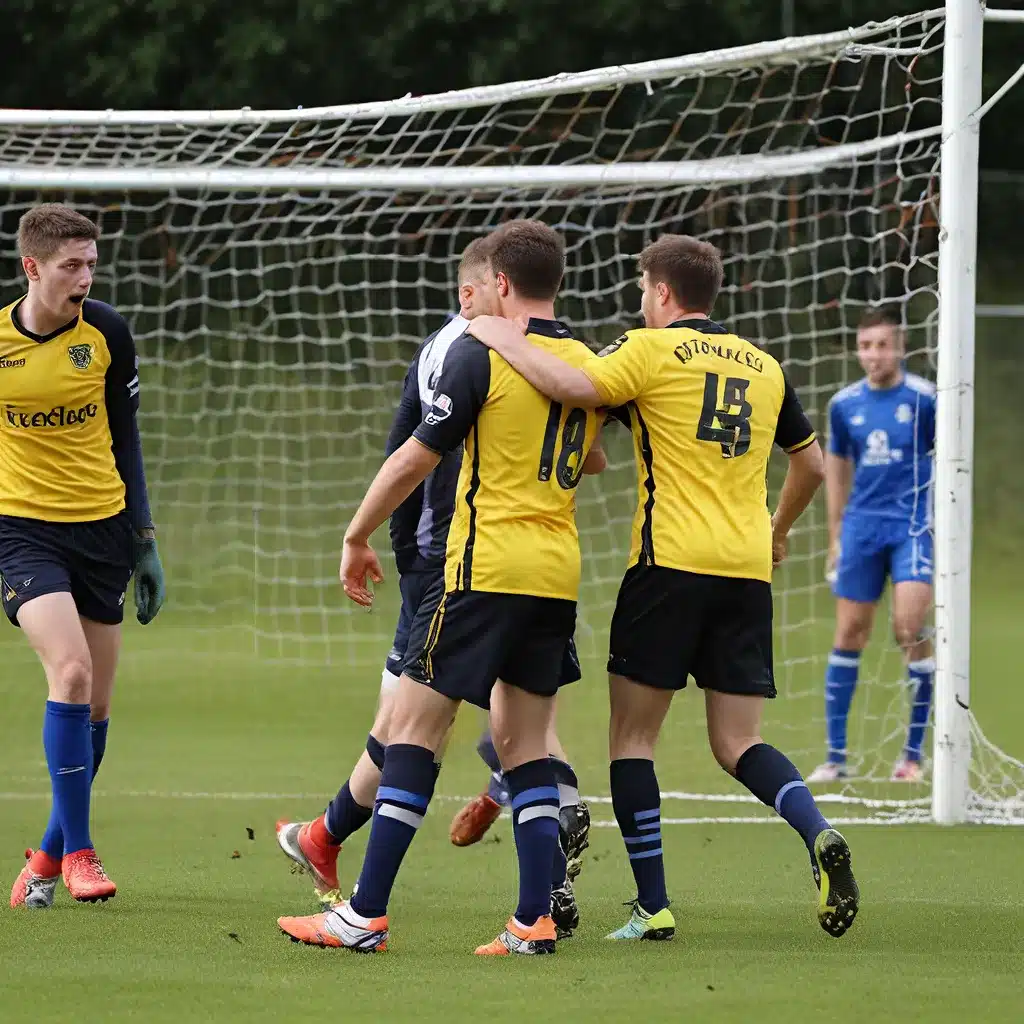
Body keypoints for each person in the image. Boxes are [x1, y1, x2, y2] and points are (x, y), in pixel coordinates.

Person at [466, 233, 860, 941]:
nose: (641, 302)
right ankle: (819, 832)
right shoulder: (764, 366)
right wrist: (776, 530)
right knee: (739, 741)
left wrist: (497, 333)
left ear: (664, 294)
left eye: (644, 290)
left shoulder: (647, 351)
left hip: (668, 567)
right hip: (745, 572)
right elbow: (812, 465)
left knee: (633, 737)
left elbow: (571, 385)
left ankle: (653, 907)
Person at [277, 219, 602, 954]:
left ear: (503, 285)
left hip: (483, 569)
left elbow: (413, 459)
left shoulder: (480, 352)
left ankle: (361, 916)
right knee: (525, 751)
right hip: (556, 576)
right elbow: (593, 460)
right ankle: (532, 922)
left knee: (412, 734)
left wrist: (356, 535)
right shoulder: (584, 361)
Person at [3, 204, 165, 909]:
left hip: (102, 531)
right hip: (22, 532)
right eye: (71, 265)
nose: (85, 278)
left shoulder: (107, 333)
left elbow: (125, 439)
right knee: (68, 673)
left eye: (92, 264)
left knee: (95, 706)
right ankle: (81, 853)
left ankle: (44, 855)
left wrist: (145, 541)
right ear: (32, 268)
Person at [807, 306, 936, 784]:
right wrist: (836, 535)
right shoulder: (845, 404)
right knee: (849, 634)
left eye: (882, 344)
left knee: (909, 626)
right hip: (862, 528)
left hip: (912, 526)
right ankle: (836, 757)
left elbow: (948, 457)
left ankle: (913, 755)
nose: (873, 354)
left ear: (901, 346)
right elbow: (836, 469)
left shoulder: (926, 399)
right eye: (865, 346)